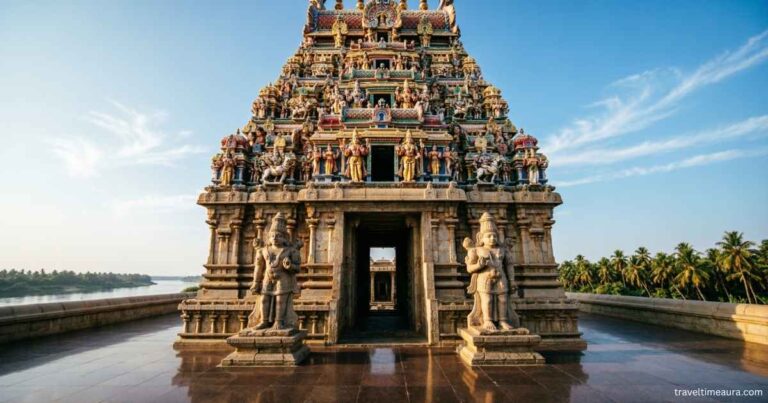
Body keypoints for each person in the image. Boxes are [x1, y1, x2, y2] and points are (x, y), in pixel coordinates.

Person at [250, 213, 303, 330]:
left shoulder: (290, 251)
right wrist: (256, 282)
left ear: (284, 238)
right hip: (267, 277)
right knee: (264, 299)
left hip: (283, 278)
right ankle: (264, 321)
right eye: (272, 236)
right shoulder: (263, 250)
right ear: (269, 237)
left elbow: (297, 268)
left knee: (280, 301)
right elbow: (258, 267)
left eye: (278, 236)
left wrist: (290, 266)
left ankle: (279, 322)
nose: (275, 238)